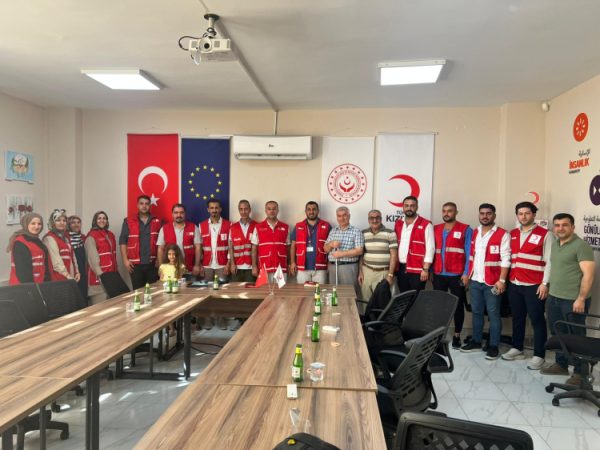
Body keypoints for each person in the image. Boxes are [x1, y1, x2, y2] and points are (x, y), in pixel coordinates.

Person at [540, 213, 595, 385]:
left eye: (565, 225)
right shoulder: (556, 244)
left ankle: (580, 373)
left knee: (577, 337)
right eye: (557, 225)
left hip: (573, 300)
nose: (560, 228)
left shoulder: (581, 246)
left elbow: (588, 275)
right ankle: (561, 364)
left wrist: (581, 298)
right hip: (554, 297)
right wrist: (546, 285)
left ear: (572, 227)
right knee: (558, 333)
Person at [502, 202, 552, 370]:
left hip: (534, 285)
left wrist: (545, 283)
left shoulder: (545, 234)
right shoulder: (513, 234)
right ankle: (517, 348)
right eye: (520, 213)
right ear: (517, 215)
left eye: (527, 213)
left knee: (537, 320)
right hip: (515, 283)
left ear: (534, 215)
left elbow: (550, 261)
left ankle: (539, 355)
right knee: (517, 317)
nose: (523, 216)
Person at [460, 203, 511, 360]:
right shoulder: (476, 232)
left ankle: (493, 345)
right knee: (476, 312)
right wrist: (467, 274)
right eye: (482, 213)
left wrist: (502, 280)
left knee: (494, 314)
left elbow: (506, 259)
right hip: (475, 280)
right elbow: (471, 256)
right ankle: (476, 341)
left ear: (494, 215)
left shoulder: (502, 234)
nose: (485, 216)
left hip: (493, 282)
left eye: (488, 213)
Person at [432, 202, 472, 349]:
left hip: (457, 275)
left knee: (457, 306)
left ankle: (456, 335)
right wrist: (430, 271)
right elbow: (431, 251)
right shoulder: (435, 229)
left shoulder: (465, 229)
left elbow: (469, 253)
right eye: (444, 211)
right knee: (439, 306)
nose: (446, 213)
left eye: (450, 211)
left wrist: (466, 273)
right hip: (438, 274)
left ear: (456, 212)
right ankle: (438, 335)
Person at [119, 195, 162, 289]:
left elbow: (161, 243)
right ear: (137, 205)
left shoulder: (158, 221)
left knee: (154, 291)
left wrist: (159, 259)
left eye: (147, 204)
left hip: (153, 264)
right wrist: (125, 260)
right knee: (137, 291)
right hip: (135, 265)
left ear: (150, 205)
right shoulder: (128, 221)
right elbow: (123, 241)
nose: (144, 206)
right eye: (141, 203)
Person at [394, 196, 435, 294]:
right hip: (401, 268)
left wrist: (426, 269)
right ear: (403, 207)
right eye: (406, 205)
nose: (409, 208)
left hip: (418, 269)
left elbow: (431, 248)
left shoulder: (426, 224)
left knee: (416, 298)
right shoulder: (398, 223)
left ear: (417, 207)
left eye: (412, 206)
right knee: (403, 296)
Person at [358, 209, 397, 304]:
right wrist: (360, 272)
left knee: (383, 303)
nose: (374, 220)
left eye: (377, 218)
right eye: (372, 218)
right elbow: (361, 255)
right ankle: (365, 315)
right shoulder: (363, 233)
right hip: (367, 272)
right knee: (365, 301)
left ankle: (381, 315)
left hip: (383, 273)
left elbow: (394, 255)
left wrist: (390, 275)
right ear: (368, 220)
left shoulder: (390, 233)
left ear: (381, 219)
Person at [289, 201, 331, 284]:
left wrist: (330, 263)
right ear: (305, 211)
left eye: (314, 209)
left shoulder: (326, 226)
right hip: (302, 267)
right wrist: (293, 262)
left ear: (318, 211)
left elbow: (331, 246)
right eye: (309, 209)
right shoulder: (298, 226)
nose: (311, 212)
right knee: (303, 291)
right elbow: (293, 246)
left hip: (320, 267)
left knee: (319, 290)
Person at [323, 206, 364, 292]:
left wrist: (341, 254)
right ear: (337, 217)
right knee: (333, 293)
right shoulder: (333, 231)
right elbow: (326, 249)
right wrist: (331, 244)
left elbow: (359, 251)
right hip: (333, 267)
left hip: (348, 267)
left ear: (349, 216)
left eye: (344, 215)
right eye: (339, 216)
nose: (342, 218)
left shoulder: (356, 231)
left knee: (348, 294)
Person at [157, 204, 201, 276]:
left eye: (181, 212)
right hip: (170, 270)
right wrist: (161, 267)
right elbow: (160, 249)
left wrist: (197, 265)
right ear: (172, 214)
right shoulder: (164, 229)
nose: (179, 215)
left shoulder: (193, 227)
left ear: (185, 214)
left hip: (189, 269)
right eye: (176, 213)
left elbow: (198, 248)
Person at [8, 212, 52, 284]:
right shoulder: (20, 243)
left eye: (39, 224)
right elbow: (23, 272)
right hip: (25, 287)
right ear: (26, 224)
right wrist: (32, 289)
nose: (36, 226)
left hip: (39, 284)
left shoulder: (37, 240)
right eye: (33, 223)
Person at [251, 201, 290, 282]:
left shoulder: (285, 227)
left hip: (280, 267)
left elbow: (288, 248)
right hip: (264, 268)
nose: (272, 211)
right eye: (269, 209)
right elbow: (254, 248)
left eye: (274, 209)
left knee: (281, 289)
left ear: (278, 210)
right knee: (264, 289)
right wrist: (254, 266)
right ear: (265, 211)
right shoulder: (258, 227)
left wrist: (289, 264)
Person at [85, 211, 118, 304]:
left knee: (112, 305)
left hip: (111, 276)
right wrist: (102, 276)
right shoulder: (91, 236)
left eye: (104, 218)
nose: (102, 220)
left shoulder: (110, 235)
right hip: (99, 278)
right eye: (99, 218)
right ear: (95, 221)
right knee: (100, 306)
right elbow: (92, 260)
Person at [42, 209, 80, 281]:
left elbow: (72, 256)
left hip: (69, 277)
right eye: (58, 220)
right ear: (53, 223)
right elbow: (56, 263)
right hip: (57, 279)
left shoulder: (65, 238)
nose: (62, 223)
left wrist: (76, 271)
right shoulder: (49, 238)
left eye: (64, 220)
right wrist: (68, 276)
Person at [199, 199, 231, 281]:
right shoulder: (201, 225)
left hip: (223, 265)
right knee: (206, 288)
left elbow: (231, 247)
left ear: (220, 209)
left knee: (222, 288)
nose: (214, 210)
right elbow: (199, 248)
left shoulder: (229, 225)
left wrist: (228, 264)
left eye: (216, 208)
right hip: (206, 265)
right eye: (212, 208)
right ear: (208, 209)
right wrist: (199, 264)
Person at [229, 200, 257, 282]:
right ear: (238, 210)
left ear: (250, 210)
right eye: (241, 209)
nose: (243, 212)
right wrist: (232, 264)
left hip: (251, 267)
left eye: (246, 209)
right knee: (236, 289)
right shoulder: (233, 227)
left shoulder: (257, 226)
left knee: (250, 289)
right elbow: (231, 248)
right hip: (237, 267)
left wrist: (255, 266)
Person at [68, 215, 89, 299]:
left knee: (83, 295)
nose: (76, 225)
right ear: (69, 225)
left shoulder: (83, 237)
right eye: (73, 223)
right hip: (72, 271)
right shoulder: (65, 238)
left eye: (78, 222)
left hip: (83, 271)